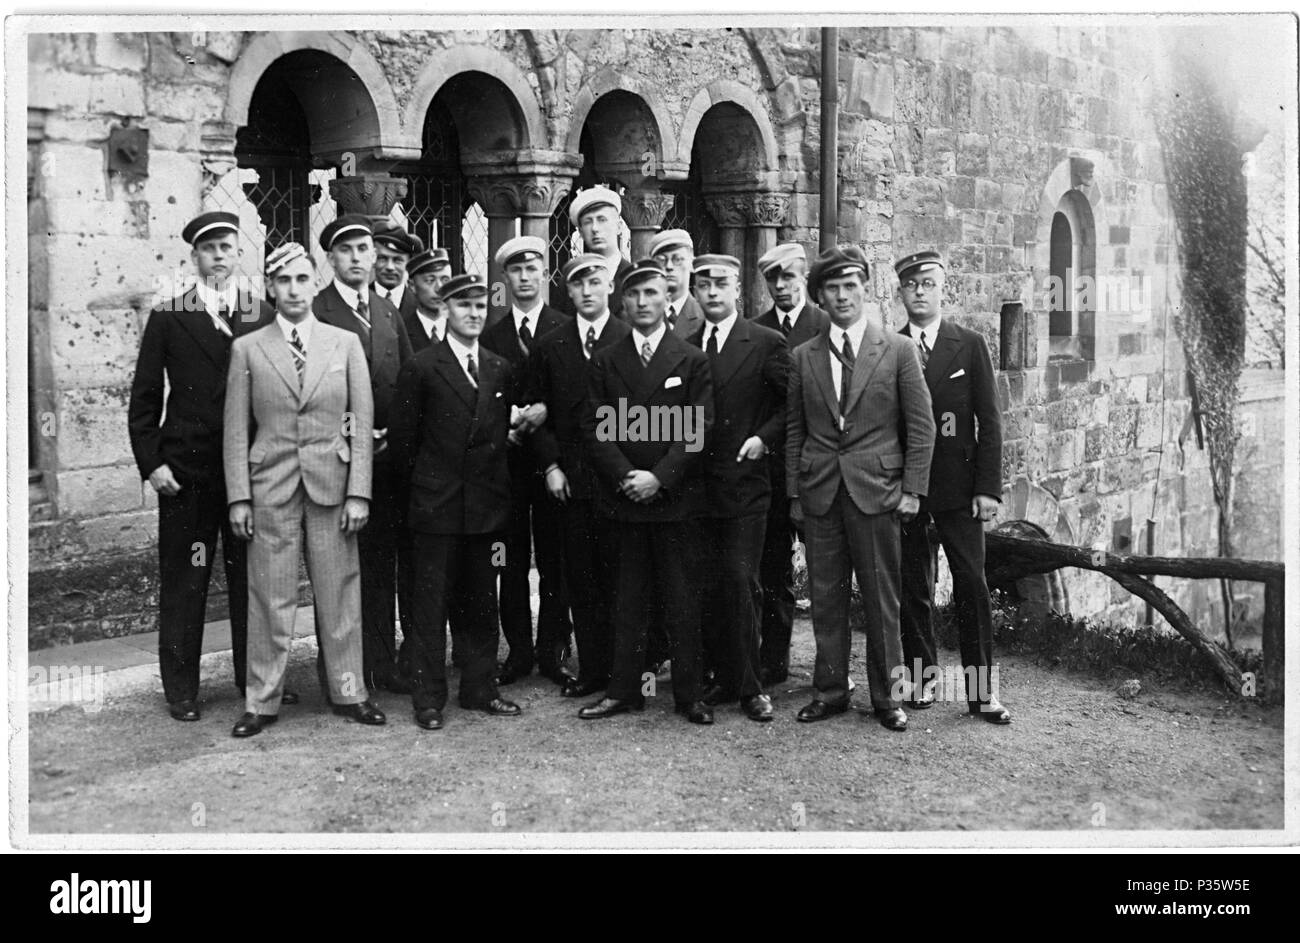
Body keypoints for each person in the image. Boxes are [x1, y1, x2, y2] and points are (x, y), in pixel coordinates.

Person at [223, 242, 385, 737]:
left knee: (339, 594)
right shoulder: (247, 348)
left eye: (301, 279)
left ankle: (349, 690)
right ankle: (262, 700)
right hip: (269, 486)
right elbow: (234, 429)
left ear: (315, 283)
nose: (294, 289)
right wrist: (239, 497)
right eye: (283, 281)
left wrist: (359, 491)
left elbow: (361, 419)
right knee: (269, 597)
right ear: (270, 289)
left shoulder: (344, 343)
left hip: (332, 487)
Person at [128, 211, 279, 721]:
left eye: (227, 247)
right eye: (209, 247)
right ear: (194, 257)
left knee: (250, 580)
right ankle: (181, 689)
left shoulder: (262, 314)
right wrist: (152, 465)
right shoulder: (170, 317)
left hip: (249, 473)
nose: (219, 256)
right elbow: (145, 399)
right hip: (187, 473)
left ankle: (251, 678)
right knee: (187, 578)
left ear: (240, 254)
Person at [786, 245, 934, 731]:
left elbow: (921, 426)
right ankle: (830, 691)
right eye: (832, 288)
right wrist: (795, 494)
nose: (843, 296)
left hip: (877, 492)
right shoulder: (804, 356)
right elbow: (795, 431)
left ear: (865, 290)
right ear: (819, 297)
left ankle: (886, 698)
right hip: (822, 492)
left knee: (881, 598)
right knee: (826, 598)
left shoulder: (897, 349)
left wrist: (912, 490)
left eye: (851, 286)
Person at [578, 259, 714, 725]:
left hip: (675, 501)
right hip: (625, 501)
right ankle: (625, 691)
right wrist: (627, 477)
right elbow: (597, 429)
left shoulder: (691, 359)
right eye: (634, 295)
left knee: (681, 598)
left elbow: (698, 428)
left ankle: (690, 695)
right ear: (622, 301)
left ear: (666, 300)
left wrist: (661, 477)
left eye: (652, 294)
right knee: (627, 599)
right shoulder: (606, 359)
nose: (642, 303)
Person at [389, 274, 523, 730]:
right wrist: (427, 493)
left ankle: (480, 689)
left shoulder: (498, 367)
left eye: (481, 306)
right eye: (464, 305)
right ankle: (428, 698)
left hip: (484, 510)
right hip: (437, 507)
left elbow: (500, 439)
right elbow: (404, 446)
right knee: (431, 607)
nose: (474, 313)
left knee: (482, 602)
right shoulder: (423, 367)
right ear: (446, 308)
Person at [894, 250, 1010, 724]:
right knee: (913, 585)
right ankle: (920, 683)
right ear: (900, 292)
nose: (920, 292)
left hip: (961, 490)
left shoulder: (969, 344)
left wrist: (988, 488)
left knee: (972, 585)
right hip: (908, 488)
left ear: (944, 289)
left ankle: (982, 693)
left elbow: (990, 421)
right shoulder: (889, 346)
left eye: (928, 283)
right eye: (911, 285)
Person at [312, 214, 414, 694]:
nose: (357, 259)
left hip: (387, 461)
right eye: (346, 250)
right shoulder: (315, 310)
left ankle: (381, 661)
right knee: (337, 568)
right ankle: (338, 667)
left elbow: (410, 380)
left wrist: (398, 433)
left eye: (364, 250)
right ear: (330, 258)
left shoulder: (387, 311)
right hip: (336, 461)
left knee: (381, 564)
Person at [686, 254, 788, 723]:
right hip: (697, 487)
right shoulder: (684, 347)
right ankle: (720, 677)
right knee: (706, 583)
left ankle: (751, 687)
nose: (711, 292)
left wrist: (762, 439)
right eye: (703, 284)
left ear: (737, 290)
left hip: (746, 487)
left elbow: (795, 405)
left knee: (742, 581)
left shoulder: (766, 343)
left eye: (720, 284)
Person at [526, 254, 631, 699]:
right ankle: (591, 672)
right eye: (578, 284)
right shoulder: (551, 345)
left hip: (619, 479)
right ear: (567, 292)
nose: (587, 291)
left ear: (609, 287)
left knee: (622, 579)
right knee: (580, 579)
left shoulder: (629, 338)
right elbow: (536, 414)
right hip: (570, 481)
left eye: (595, 282)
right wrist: (550, 465)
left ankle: (625, 674)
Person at [480, 235, 574, 687]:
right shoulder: (491, 335)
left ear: (544, 275)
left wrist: (545, 412)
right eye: (515, 270)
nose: (524, 277)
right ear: (505, 278)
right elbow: (479, 402)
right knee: (509, 561)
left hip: (553, 466)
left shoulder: (564, 327)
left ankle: (553, 650)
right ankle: (517, 652)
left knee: (556, 559)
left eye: (532, 269)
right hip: (510, 469)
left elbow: (575, 397)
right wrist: (508, 421)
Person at [752, 242, 830, 685]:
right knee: (774, 566)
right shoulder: (756, 330)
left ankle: (831, 667)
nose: (781, 287)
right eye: (772, 280)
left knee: (826, 570)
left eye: (789, 277)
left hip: (819, 467)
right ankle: (773, 661)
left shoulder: (824, 325)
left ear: (804, 279)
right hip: (775, 471)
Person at [571, 186, 631, 315]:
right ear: (580, 232)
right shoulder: (570, 280)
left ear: (619, 227)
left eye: (602, 220)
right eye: (588, 222)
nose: (595, 228)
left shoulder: (636, 278)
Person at [649, 229, 704, 338]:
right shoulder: (636, 317)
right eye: (661, 260)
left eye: (677, 259)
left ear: (692, 264)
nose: (669, 266)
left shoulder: (706, 318)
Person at [401, 248, 452, 355]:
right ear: (412, 286)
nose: (439, 288)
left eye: (445, 280)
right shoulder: (402, 332)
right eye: (430, 281)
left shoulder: (462, 329)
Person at [371, 220, 422, 321]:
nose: (390, 267)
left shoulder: (421, 306)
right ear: (372, 259)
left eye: (398, 260)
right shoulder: (358, 300)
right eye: (382, 258)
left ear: (408, 263)